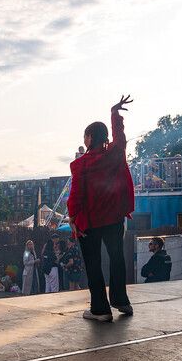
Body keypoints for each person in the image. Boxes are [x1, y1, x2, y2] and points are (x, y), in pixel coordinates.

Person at [68, 95, 135, 322]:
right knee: (117, 258)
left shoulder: (81, 164)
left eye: (85, 136)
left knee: (93, 264)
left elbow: (76, 195)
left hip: (90, 222)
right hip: (114, 218)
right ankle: (121, 300)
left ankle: (100, 309)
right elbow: (120, 137)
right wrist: (115, 113)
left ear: (89, 138)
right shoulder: (115, 153)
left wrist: (73, 218)